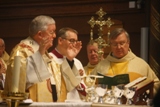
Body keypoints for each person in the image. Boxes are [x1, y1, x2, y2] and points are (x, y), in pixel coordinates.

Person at [4, 15, 67, 102]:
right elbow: (18, 77)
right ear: (40, 34)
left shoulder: (45, 52)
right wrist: (39, 54)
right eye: (51, 32)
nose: (55, 36)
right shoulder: (21, 51)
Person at [91, 28, 159, 94]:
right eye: (115, 44)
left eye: (122, 43)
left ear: (128, 43)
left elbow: (156, 85)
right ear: (110, 45)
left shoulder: (141, 65)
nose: (118, 47)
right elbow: (89, 85)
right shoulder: (101, 66)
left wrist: (143, 94)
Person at [49, 27, 86, 101]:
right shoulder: (49, 60)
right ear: (60, 40)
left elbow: (84, 91)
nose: (75, 44)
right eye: (72, 41)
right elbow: (55, 86)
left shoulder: (77, 62)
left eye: (76, 41)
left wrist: (78, 81)